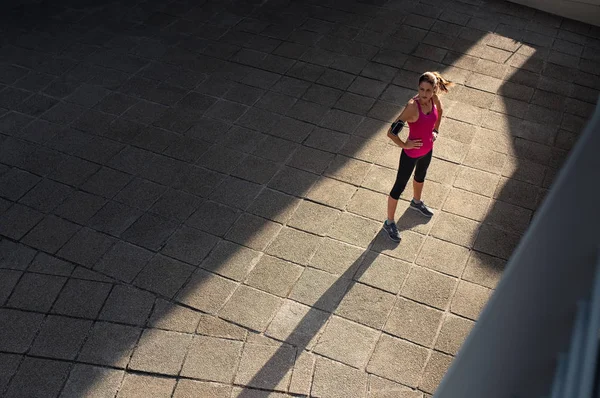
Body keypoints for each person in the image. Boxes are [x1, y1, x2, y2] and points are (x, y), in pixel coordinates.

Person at [382, 71, 452, 242]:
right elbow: (391, 132)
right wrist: (405, 144)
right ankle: (389, 222)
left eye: (428, 90)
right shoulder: (412, 107)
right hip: (410, 154)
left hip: (428, 150)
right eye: (421, 89)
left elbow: (440, 112)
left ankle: (416, 202)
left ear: (434, 90)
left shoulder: (434, 99)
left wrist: (435, 131)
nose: (424, 94)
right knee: (399, 187)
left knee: (420, 177)